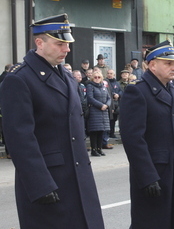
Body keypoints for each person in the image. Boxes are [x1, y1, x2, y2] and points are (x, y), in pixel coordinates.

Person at [0, 13, 104, 229]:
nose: (66, 50)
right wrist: (40, 185)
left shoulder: (66, 77)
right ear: (39, 42)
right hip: (49, 181)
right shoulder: (19, 80)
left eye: (67, 44)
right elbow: (20, 138)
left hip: (78, 177)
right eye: (60, 44)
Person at [119, 40, 174, 229]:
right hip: (156, 174)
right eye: (168, 63)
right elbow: (133, 139)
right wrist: (147, 176)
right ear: (152, 65)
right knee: (153, 222)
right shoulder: (137, 91)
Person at [86, 71, 110, 156]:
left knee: (101, 131)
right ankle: (94, 150)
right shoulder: (90, 86)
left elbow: (109, 98)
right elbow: (90, 98)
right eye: (95, 77)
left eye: (98, 77)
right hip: (94, 111)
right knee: (94, 132)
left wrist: (107, 105)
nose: (97, 79)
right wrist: (100, 105)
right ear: (92, 78)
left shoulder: (104, 87)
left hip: (104, 111)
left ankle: (99, 149)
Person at [104, 69, 123, 138]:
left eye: (111, 73)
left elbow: (121, 90)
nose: (109, 75)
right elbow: (107, 91)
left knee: (114, 119)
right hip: (110, 103)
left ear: (114, 75)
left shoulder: (117, 83)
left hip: (117, 103)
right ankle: (108, 133)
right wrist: (113, 94)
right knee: (109, 119)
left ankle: (112, 132)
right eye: (108, 73)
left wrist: (118, 95)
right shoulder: (105, 82)